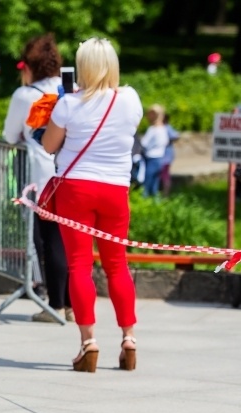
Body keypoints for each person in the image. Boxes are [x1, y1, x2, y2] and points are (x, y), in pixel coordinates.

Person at [41, 37, 142, 372]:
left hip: (76, 189)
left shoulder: (69, 104)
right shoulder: (130, 99)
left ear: (82, 67)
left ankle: (89, 344)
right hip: (116, 189)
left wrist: (60, 110)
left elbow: (49, 145)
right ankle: (129, 339)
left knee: (80, 266)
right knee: (117, 265)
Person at [2, 34, 72, 323]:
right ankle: (69, 301)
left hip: (38, 177)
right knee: (65, 239)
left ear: (29, 66)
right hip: (69, 172)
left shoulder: (25, 95)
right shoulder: (70, 89)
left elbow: (9, 135)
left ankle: (55, 303)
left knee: (45, 240)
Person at [140, 104, 168, 198]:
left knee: (147, 184)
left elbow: (144, 143)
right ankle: (155, 204)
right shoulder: (163, 128)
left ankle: (145, 202)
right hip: (160, 157)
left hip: (151, 158)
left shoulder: (153, 129)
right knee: (154, 184)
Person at [161, 113, 180, 197]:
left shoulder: (166, 128)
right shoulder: (165, 127)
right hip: (165, 155)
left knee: (165, 175)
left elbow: (175, 136)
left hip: (165, 156)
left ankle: (166, 194)